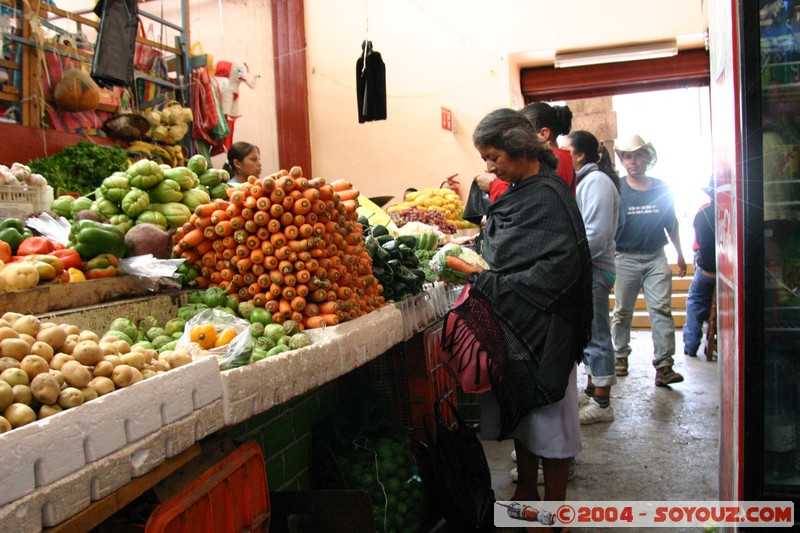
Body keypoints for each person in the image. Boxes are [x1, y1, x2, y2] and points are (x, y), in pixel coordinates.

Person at [450, 108, 593, 504]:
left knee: (552, 424)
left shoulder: (549, 195)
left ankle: (555, 509)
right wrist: (474, 255)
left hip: (547, 329)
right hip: (514, 323)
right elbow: (506, 246)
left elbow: (561, 265)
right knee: (524, 418)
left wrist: (491, 280)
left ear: (518, 149)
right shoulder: (518, 192)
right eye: (487, 161)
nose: (492, 169)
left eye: (494, 158)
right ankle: (527, 491)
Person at [611, 134, 686, 387]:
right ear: (622, 160)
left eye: (638, 155)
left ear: (647, 158)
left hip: (656, 257)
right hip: (625, 258)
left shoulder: (661, 187)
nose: (633, 161)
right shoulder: (617, 187)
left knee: (661, 310)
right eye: (628, 156)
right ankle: (620, 356)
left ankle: (664, 366)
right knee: (622, 311)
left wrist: (680, 254)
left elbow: (671, 223)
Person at [562, 130, 619, 424]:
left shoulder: (596, 182)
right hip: (588, 268)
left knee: (596, 334)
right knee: (587, 334)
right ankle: (592, 387)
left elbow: (595, 236)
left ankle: (603, 403)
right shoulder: (584, 181)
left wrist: (568, 261)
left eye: (565, 151)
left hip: (594, 268)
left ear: (579, 154)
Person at [476, 102, 575, 201]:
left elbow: (530, 199)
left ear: (544, 134)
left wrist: (493, 184)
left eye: (494, 158)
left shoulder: (553, 162)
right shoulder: (564, 158)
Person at [683, 179, 716, 358]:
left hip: (707, 272)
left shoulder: (702, 214)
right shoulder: (737, 212)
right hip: (731, 274)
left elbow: (699, 247)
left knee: (695, 301)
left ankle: (691, 345)